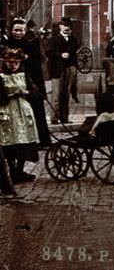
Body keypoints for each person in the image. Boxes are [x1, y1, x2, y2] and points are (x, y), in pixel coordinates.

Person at [0, 45, 39, 194]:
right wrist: (9, 95)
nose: (14, 66)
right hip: (7, 111)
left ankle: (19, 171)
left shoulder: (24, 75)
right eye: (10, 63)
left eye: (16, 63)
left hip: (23, 111)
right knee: (9, 141)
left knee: (24, 140)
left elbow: (35, 92)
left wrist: (27, 93)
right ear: (5, 62)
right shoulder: (1, 77)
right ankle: (10, 169)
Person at [6, 19, 49, 147]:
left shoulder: (31, 44)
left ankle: (44, 141)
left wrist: (40, 88)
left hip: (30, 82)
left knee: (38, 112)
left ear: (25, 31)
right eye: (16, 30)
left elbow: (37, 67)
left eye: (21, 30)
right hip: (12, 83)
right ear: (11, 30)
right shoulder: (6, 44)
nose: (18, 33)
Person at [47, 20, 79, 124]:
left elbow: (75, 52)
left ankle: (65, 118)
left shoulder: (73, 39)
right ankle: (54, 118)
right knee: (56, 94)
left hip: (70, 68)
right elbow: (48, 52)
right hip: (57, 70)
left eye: (68, 26)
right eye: (64, 25)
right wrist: (60, 55)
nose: (66, 28)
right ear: (60, 26)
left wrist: (74, 66)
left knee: (66, 93)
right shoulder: (54, 39)